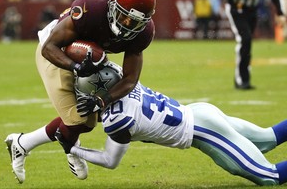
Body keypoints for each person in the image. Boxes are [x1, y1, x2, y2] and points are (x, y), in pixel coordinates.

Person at [5, 0, 156, 184]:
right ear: (113, 5)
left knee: (90, 120)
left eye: (135, 22)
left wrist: (101, 100)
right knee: (78, 120)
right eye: (124, 16)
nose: (127, 25)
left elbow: (130, 79)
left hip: (89, 61)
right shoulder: (91, 8)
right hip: (56, 53)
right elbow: (50, 47)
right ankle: (62, 147)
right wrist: (76, 67)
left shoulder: (143, 33)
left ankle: (23, 143)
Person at [55, 63, 287, 186]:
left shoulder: (118, 120)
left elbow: (110, 160)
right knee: (267, 138)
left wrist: (72, 148)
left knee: (269, 177)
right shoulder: (124, 81)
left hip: (203, 130)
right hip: (199, 112)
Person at [219, 0, 286, 90]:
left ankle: (243, 77)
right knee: (245, 39)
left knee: (247, 43)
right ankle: (242, 79)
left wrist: (280, 12)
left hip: (252, 11)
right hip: (236, 9)